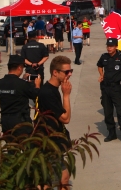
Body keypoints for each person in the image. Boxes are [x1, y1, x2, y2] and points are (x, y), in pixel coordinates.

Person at [36, 55, 73, 188]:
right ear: (55, 73)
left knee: (62, 177)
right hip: (49, 142)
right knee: (56, 179)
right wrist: (66, 95)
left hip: (53, 140)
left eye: (71, 71)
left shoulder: (52, 90)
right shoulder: (48, 93)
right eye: (66, 72)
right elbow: (66, 118)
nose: (69, 75)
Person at [0, 54, 41, 137]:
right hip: (20, 123)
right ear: (20, 68)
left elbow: (14, 87)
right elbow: (35, 95)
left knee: (10, 144)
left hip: (6, 123)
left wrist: (23, 80)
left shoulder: (0, 83)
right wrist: (37, 85)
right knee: (24, 144)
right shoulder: (22, 84)